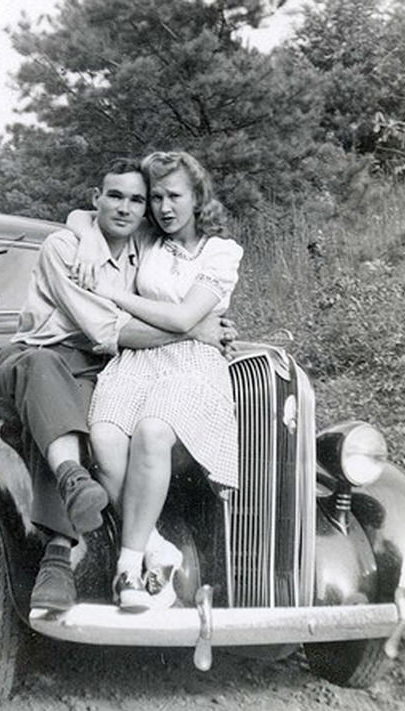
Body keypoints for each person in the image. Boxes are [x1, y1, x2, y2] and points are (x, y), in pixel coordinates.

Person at [0, 157, 234, 616]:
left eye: (139, 199)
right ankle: (62, 546)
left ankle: (110, 537)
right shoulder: (65, 247)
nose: (129, 207)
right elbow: (106, 330)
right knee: (46, 378)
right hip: (35, 356)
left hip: (98, 367)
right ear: (96, 199)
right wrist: (193, 330)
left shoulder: (145, 244)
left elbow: (177, 275)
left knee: (86, 425)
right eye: (115, 196)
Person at [68, 151, 243, 611]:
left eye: (175, 196)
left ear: (198, 196)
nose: (165, 208)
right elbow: (83, 215)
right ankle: (156, 547)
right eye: (158, 197)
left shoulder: (221, 252)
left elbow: (187, 317)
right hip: (139, 359)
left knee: (151, 431)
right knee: (103, 438)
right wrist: (87, 242)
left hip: (193, 365)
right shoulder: (148, 237)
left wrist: (115, 294)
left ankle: (128, 567)